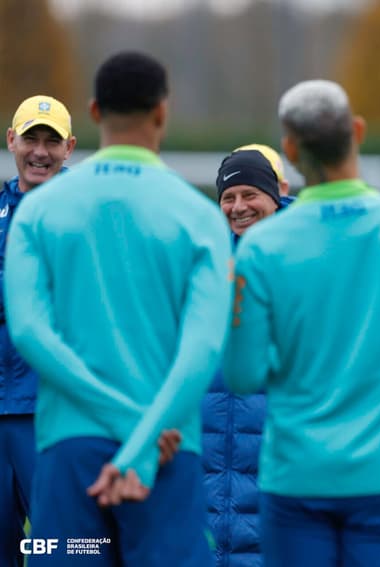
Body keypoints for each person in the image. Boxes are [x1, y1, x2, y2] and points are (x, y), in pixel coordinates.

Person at [222, 79, 380, 567]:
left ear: (291, 150)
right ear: (357, 132)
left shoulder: (260, 247)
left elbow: (243, 373)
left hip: (295, 477)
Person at [4, 51, 231, 565]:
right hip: (167, 445)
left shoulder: (37, 211)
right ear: (162, 113)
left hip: (70, 449)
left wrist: (122, 421)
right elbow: (203, 348)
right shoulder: (198, 215)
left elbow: (31, 333)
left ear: (93, 111)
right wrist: (144, 433)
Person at [202, 145, 295, 567]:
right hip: (207, 462)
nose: (239, 207)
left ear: (274, 197)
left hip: (278, 465)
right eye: (228, 197)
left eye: (250, 195)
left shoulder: (304, 260)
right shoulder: (201, 264)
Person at [0, 95, 76, 567]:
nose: (40, 152)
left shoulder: (87, 216)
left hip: (53, 417)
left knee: (65, 550)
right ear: (12, 141)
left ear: (70, 147)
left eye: (52, 142)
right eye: (32, 139)